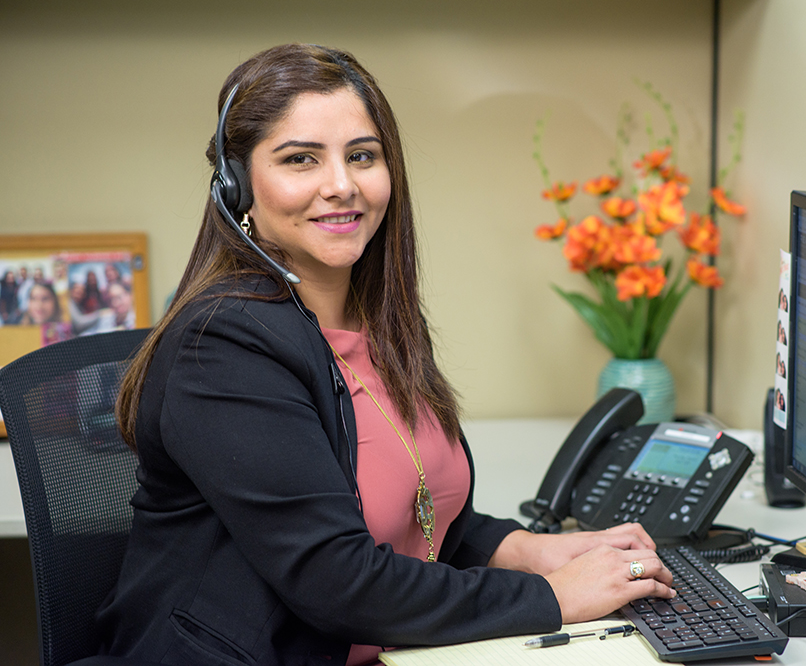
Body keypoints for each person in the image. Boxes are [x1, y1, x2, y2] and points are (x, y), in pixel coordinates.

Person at [99, 44, 674, 666]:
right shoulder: (223, 348)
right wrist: (551, 596)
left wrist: (523, 548)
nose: (341, 185)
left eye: (362, 156)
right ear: (236, 185)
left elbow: (419, 515)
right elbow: (338, 580)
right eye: (300, 160)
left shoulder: (374, 320)